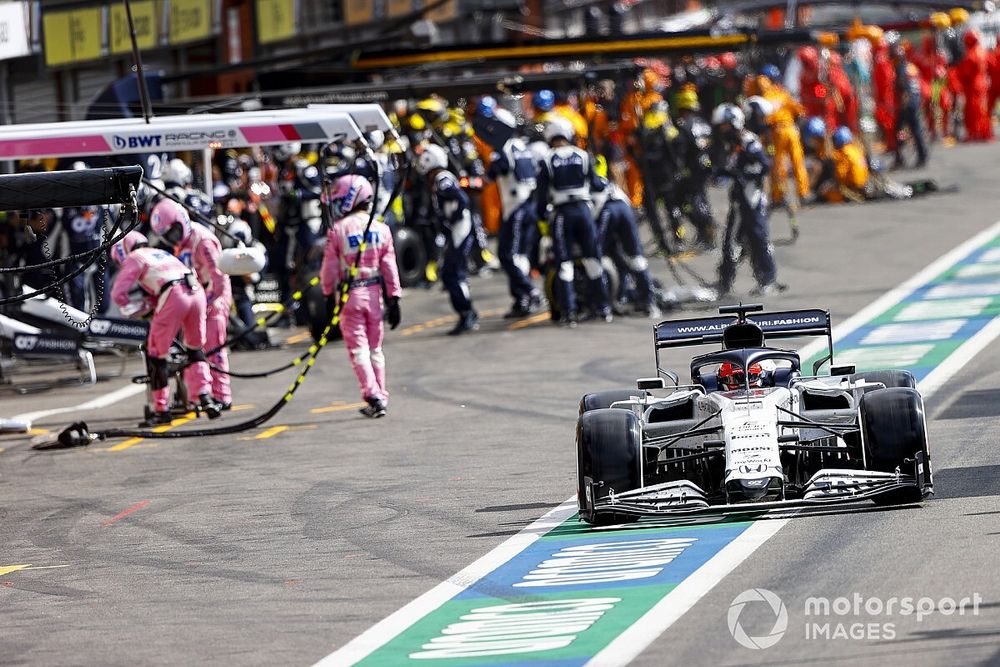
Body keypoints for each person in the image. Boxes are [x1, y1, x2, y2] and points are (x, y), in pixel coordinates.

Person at [109, 231, 220, 426]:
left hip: (173, 294)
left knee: (155, 355)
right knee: (195, 348)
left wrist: (131, 307)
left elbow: (118, 293)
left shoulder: (135, 257)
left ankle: (161, 410)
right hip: (196, 292)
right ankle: (205, 396)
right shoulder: (161, 252)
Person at [320, 175, 402, 419]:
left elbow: (329, 270)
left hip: (350, 295)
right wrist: (394, 298)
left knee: (358, 350)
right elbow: (389, 267)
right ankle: (381, 396)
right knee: (375, 348)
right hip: (375, 294)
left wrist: (327, 295)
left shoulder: (338, 230)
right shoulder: (382, 229)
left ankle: (372, 394)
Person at [150, 199, 234, 411]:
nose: (174, 238)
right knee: (193, 348)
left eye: (175, 231)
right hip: (197, 297)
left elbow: (220, 277)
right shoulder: (180, 245)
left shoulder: (202, 241)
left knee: (214, 347)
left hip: (214, 298)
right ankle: (197, 396)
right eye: (168, 236)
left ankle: (222, 396)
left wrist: (212, 301)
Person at [535, 117, 611, 325]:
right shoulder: (583, 155)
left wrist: (541, 216)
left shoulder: (547, 159)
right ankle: (603, 308)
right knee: (593, 260)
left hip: (562, 213)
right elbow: (597, 184)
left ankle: (569, 313)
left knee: (565, 264)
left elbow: (541, 196)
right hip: (584, 211)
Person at [712, 103, 781, 297]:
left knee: (758, 239)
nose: (722, 130)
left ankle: (768, 280)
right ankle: (725, 281)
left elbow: (764, 165)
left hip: (752, 199)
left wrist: (744, 174)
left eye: (725, 125)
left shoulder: (748, 141)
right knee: (731, 242)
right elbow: (729, 168)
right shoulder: (732, 144)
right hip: (739, 200)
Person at [486, 108, 544, 318]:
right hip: (526, 206)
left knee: (507, 255)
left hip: (517, 208)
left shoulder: (505, 149)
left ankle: (530, 292)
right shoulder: (522, 146)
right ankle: (521, 300)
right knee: (519, 256)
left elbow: (491, 174)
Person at [419, 143, 479, 335]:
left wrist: (452, 220)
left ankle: (467, 312)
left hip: (460, 231)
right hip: (457, 232)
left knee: (453, 274)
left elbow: (461, 199)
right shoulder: (440, 179)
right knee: (450, 274)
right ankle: (466, 312)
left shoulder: (442, 179)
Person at [592, 179, 659, 318]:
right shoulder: (597, 177)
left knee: (594, 255)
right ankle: (648, 302)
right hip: (624, 207)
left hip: (607, 210)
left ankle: (603, 304)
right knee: (635, 258)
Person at [756, 64, 810, 208]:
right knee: (798, 162)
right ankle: (803, 194)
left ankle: (778, 196)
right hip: (791, 130)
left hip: (776, 132)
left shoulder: (765, 97)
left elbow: (764, 120)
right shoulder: (784, 93)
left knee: (778, 165)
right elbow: (799, 111)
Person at [673, 87, 718, 248]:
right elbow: (712, 144)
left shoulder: (684, 125)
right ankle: (704, 230)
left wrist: (679, 170)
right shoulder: (703, 123)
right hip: (706, 166)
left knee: (687, 201)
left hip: (692, 169)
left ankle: (707, 225)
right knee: (700, 197)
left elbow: (681, 150)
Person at [956, 30, 994, 142]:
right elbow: (993, 66)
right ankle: (985, 132)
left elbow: (965, 74)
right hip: (983, 84)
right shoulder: (983, 52)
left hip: (973, 86)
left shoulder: (970, 55)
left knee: (972, 111)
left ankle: (974, 133)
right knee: (983, 110)